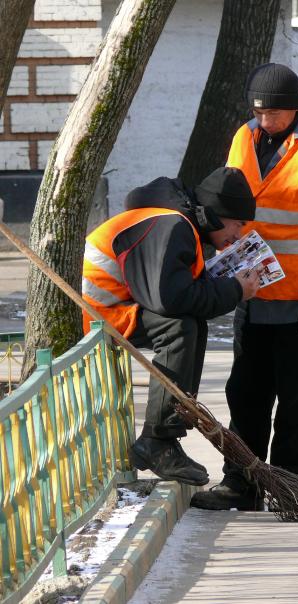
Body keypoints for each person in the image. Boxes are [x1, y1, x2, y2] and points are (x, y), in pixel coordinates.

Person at [191, 63, 298, 511]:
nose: (264, 122)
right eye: (258, 113)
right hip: (250, 293)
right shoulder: (243, 137)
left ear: (295, 109)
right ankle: (241, 484)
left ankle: (292, 490)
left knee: (297, 405)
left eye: (273, 115)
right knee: (245, 397)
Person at [82, 167, 261, 487]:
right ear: (219, 215)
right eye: (238, 224)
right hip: (95, 315)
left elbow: (177, 294)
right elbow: (169, 299)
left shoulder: (178, 222)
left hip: (112, 309)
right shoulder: (171, 224)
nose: (239, 234)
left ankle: (166, 435)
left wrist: (225, 286)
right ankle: (158, 440)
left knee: (190, 325)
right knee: (178, 327)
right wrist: (234, 290)